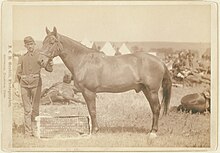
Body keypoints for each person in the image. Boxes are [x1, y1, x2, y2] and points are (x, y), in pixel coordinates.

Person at [13, 36, 53, 137]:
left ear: (34, 44)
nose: (30, 46)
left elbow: (49, 69)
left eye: (31, 44)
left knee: (35, 109)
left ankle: (35, 131)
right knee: (27, 110)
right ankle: (28, 132)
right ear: (25, 46)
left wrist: (50, 63)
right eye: (28, 45)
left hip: (36, 85)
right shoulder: (22, 58)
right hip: (24, 86)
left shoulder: (40, 56)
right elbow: (18, 74)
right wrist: (15, 86)